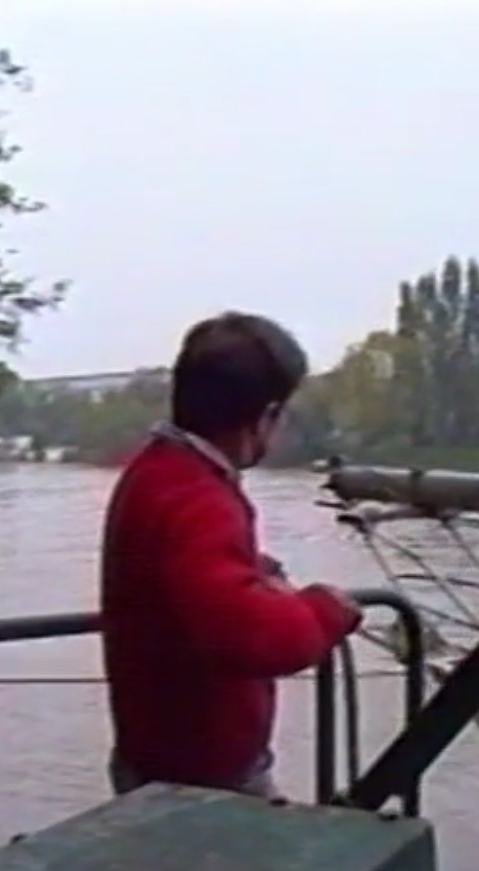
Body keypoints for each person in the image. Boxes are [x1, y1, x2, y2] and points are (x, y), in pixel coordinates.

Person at [99, 311, 365, 799]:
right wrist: (323, 611)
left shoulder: (155, 471)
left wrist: (250, 570)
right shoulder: (199, 497)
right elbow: (245, 635)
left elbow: (173, 576)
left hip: (153, 755)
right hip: (203, 772)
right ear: (265, 417)